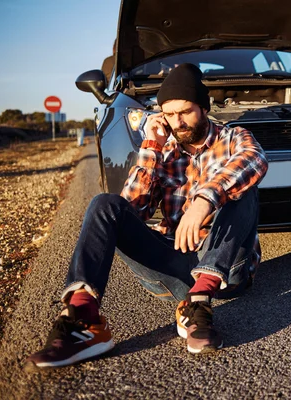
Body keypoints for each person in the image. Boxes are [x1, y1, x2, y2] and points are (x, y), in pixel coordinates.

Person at [25, 63, 268, 368]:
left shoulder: (233, 138)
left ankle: (199, 302)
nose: (177, 122)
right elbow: (131, 211)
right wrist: (151, 147)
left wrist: (204, 200)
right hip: (174, 265)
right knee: (105, 204)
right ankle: (83, 321)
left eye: (185, 111)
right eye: (168, 113)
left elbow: (254, 159)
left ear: (204, 108)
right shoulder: (163, 150)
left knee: (244, 189)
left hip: (226, 269)